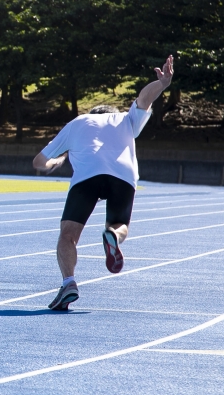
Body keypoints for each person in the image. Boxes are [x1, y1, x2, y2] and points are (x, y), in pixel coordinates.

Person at [33, 55, 174, 310]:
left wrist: (56, 163)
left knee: (68, 234)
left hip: (87, 176)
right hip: (123, 175)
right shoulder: (125, 119)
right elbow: (144, 99)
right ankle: (113, 235)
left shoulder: (77, 123)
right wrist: (162, 83)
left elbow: (39, 161)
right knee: (120, 224)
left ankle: (69, 282)